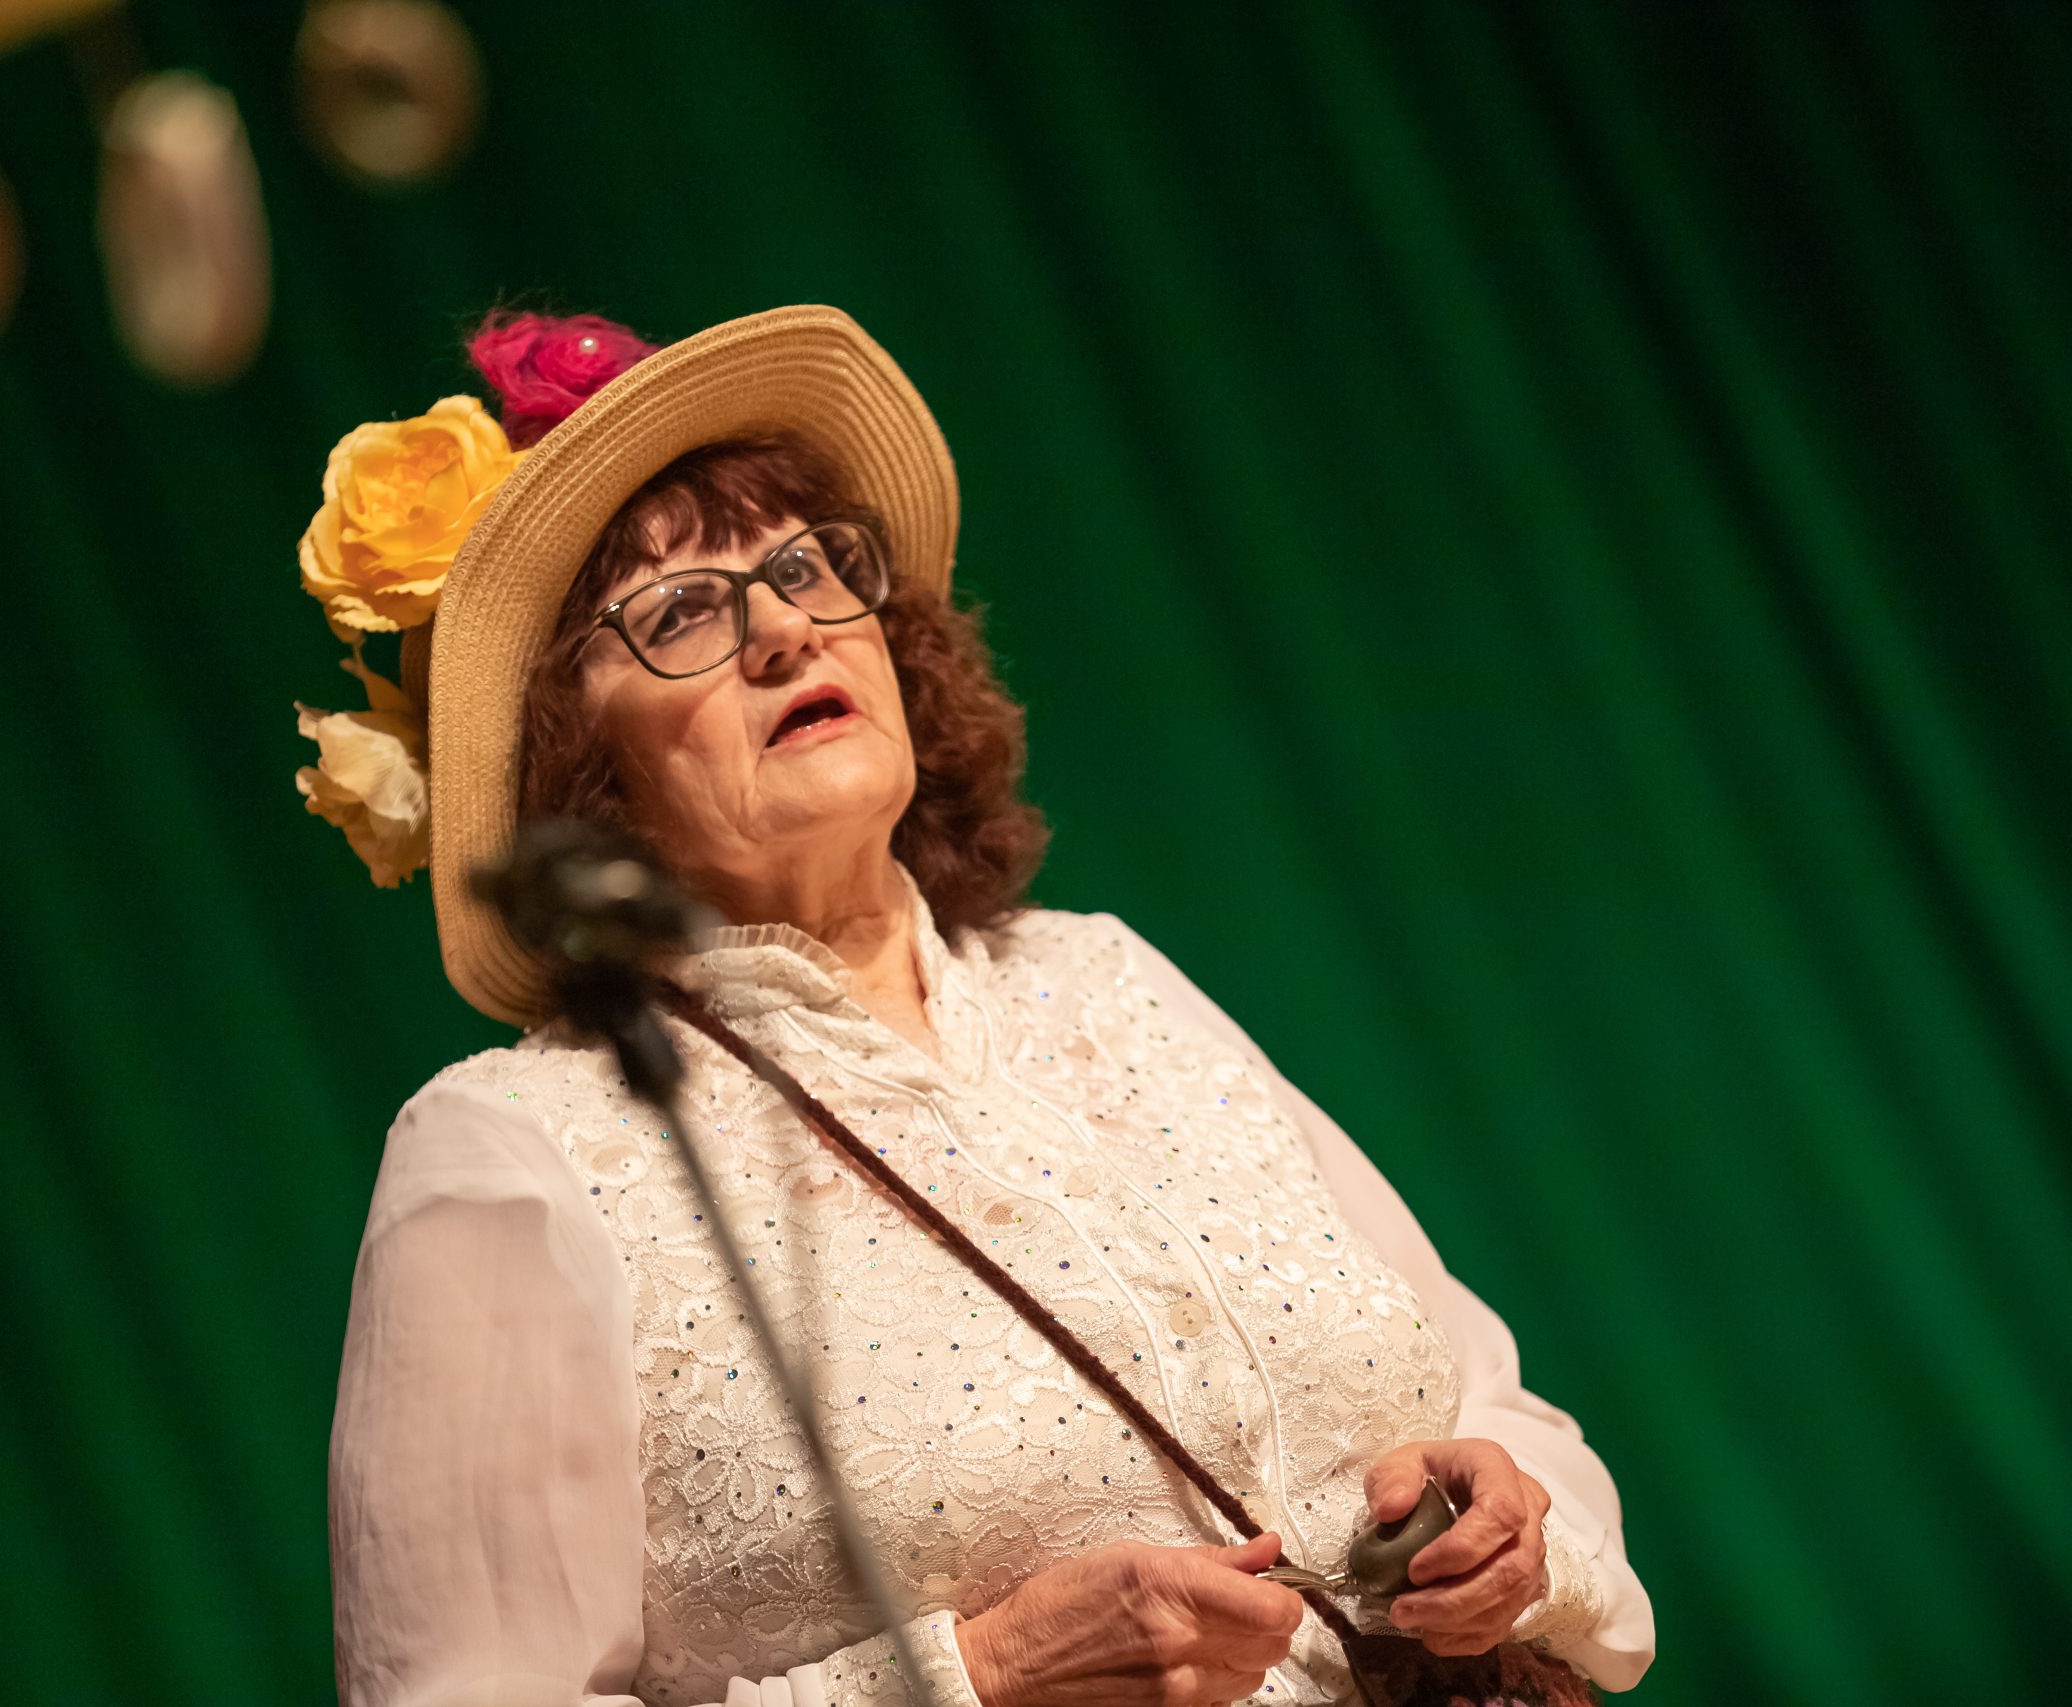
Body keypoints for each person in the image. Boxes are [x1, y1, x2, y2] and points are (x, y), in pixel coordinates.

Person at [295, 306, 1655, 1707]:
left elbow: (1492, 1401)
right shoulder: (515, 1151)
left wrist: (1512, 1530)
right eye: (682, 613)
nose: (785, 629)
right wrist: (977, 1675)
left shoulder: (1102, 975)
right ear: (571, 762)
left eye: (807, 567)